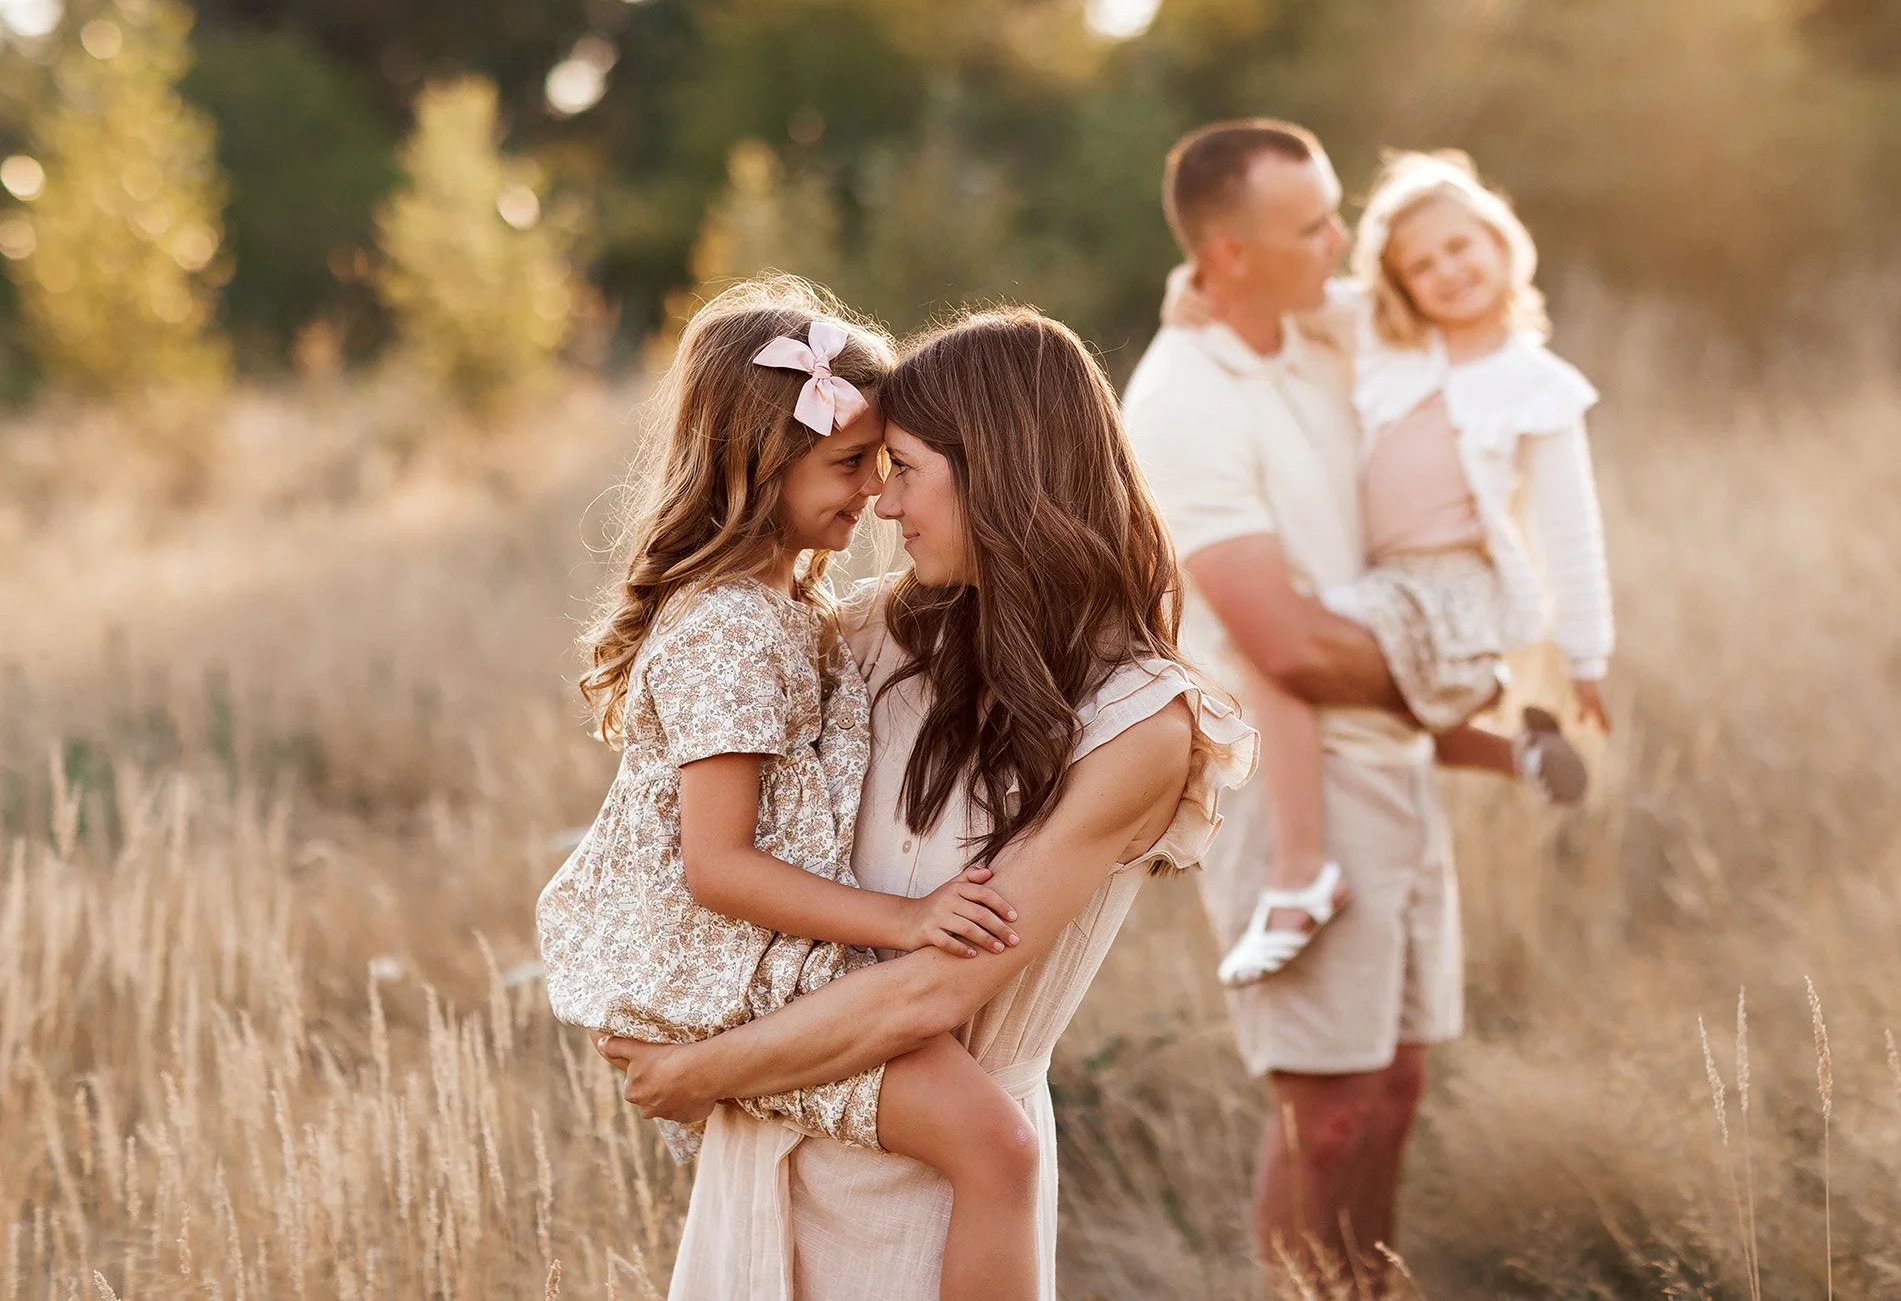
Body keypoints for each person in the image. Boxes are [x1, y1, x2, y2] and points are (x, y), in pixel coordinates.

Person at [597, 306, 1257, 1300]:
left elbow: (934, 991)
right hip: (768, 1151)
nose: (882, 504)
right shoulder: (857, 638)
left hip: (941, 1199)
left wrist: (702, 1071)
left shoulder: (1138, 724)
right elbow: (709, 846)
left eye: (903, 468)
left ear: (999, 472)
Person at [1120, 119, 1583, 1279]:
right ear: (1228, 256)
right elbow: (1281, 641)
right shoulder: (1181, 398)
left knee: (1394, 1088)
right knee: (1322, 1115)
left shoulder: (1330, 337)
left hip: (1398, 768)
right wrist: (1462, 677)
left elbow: (1463, 336)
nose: (1341, 241)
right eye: (1313, 225)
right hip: (1294, 788)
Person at [537, 281, 1048, 1299]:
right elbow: (718, 866)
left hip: (775, 960)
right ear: (758, 463)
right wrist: (906, 920)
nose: (872, 491)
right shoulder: (731, 627)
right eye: (847, 463)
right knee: (996, 1145)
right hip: (737, 977)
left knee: (994, 1143)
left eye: (886, 462)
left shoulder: (786, 605)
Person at [1161, 146, 1614, 987]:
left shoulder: (1538, 385)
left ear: (1500, 241)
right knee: (1330, 665)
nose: (1447, 272)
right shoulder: (1384, 340)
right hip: (1387, 582)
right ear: (1398, 284)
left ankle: (1301, 874)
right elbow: (1269, 290)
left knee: (1276, 652)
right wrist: (1188, 286)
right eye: (1421, 265)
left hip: (1450, 588)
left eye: (1460, 247)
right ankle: (1517, 750)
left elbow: (1571, 530)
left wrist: (1585, 658)